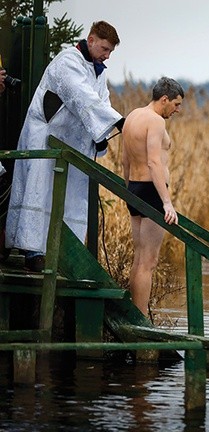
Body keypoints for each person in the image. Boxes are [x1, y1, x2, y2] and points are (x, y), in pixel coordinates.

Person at [5, 21, 124, 272]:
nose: (106, 55)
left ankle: (61, 253)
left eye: (110, 52)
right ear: (91, 40)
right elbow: (80, 96)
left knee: (68, 198)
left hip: (71, 145)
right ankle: (33, 251)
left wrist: (101, 135)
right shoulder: (67, 61)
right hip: (46, 138)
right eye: (104, 49)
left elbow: (101, 100)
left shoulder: (97, 71)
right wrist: (117, 121)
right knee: (41, 193)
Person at [122, 77, 183, 317]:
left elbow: (125, 160)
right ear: (164, 99)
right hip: (152, 192)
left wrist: (128, 192)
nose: (178, 110)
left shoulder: (132, 117)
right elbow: (154, 161)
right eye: (176, 104)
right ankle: (142, 318)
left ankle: (136, 313)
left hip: (135, 189)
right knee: (149, 261)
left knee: (139, 259)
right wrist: (166, 202)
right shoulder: (156, 121)